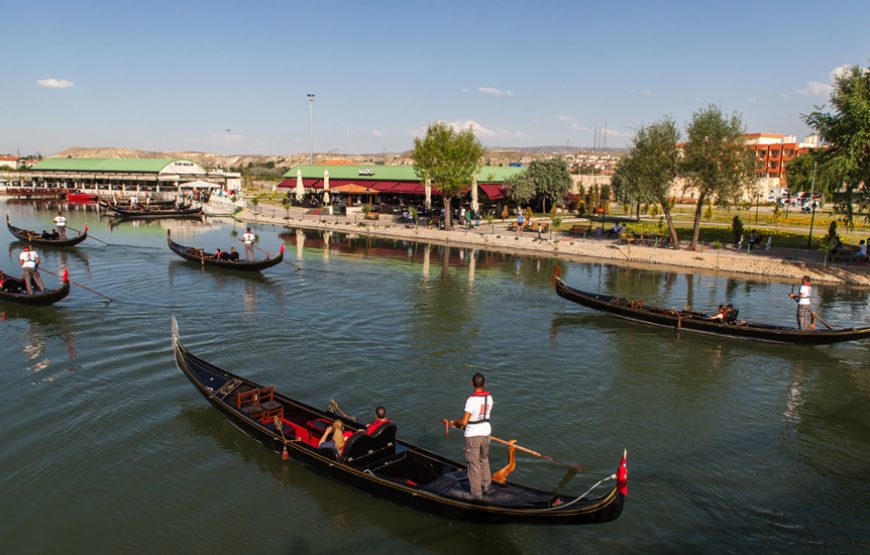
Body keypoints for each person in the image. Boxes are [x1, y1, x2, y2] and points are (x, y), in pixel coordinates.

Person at [441, 373, 494, 498]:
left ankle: (476, 494)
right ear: (484, 384)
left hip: (473, 435)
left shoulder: (471, 400)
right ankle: (486, 486)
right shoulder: (489, 398)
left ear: (472, 384)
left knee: (473, 464)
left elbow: (464, 422)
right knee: (484, 459)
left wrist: (454, 422)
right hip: (486, 432)